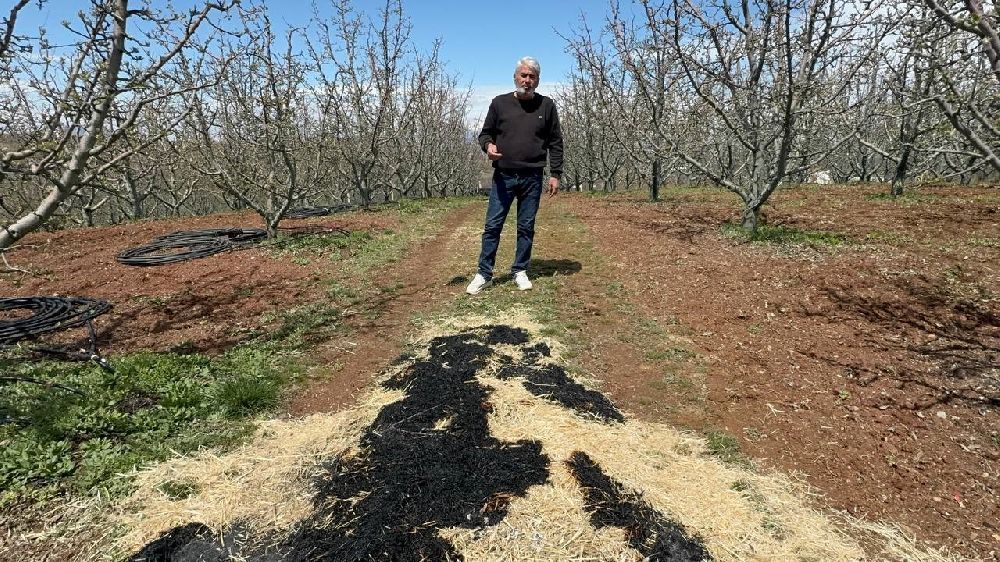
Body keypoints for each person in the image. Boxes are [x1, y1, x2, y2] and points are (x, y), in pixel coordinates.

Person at [466, 56, 563, 295]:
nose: (527, 80)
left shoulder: (547, 106)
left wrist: (555, 173)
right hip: (504, 175)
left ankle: (520, 270)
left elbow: (555, 142)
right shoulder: (499, 103)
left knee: (526, 226)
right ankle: (484, 273)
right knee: (493, 225)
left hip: (533, 176)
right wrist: (488, 146)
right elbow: (485, 134)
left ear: (538, 80)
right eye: (523, 75)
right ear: (515, 77)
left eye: (532, 77)